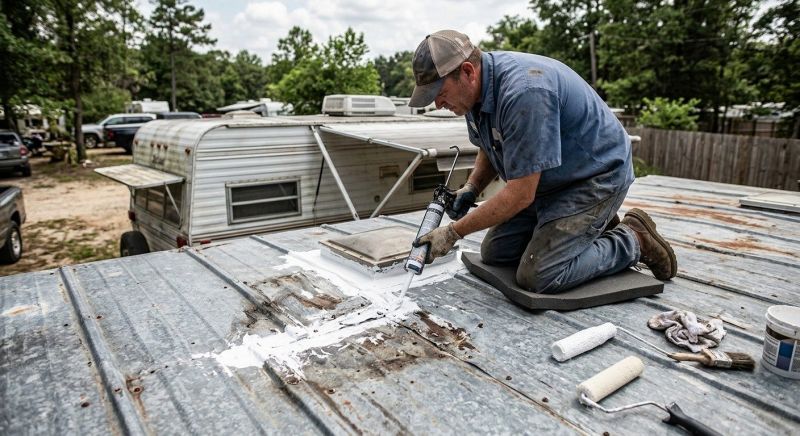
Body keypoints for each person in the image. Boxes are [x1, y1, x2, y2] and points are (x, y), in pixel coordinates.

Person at [410, 30, 677, 294]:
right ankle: (585, 228)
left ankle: (633, 239)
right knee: (494, 254)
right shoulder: (473, 93)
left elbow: (520, 195)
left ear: (468, 71)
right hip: (550, 178)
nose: (437, 104)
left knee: (539, 275)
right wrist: (472, 187)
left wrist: (453, 232)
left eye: (440, 92)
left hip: (596, 176)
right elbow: (489, 145)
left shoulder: (524, 93)